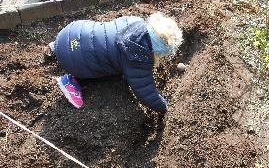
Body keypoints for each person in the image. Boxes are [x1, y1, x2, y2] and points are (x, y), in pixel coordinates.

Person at [48, 12, 183, 114]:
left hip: (71, 31)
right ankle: (70, 81)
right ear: (158, 51)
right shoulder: (138, 59)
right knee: (98, 69)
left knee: (99, 43)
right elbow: (145, 91)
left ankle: (56, 46)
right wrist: (163, 107)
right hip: (74, 61)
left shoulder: (136, 22)